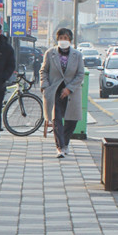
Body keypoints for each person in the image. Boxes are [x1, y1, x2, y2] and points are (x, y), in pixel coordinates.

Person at [40, 28, 84, 158]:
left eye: (66, 38)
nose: (63, 41)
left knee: (72, 120)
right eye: (61, 38)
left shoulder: (77, 55)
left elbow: (80, 74)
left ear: (70, 40)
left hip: (71, 92)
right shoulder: (50, 53)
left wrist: (69, 88)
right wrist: (45, 86)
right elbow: (44, 71)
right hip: (55, 91)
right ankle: (60, 147)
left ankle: (65, 143)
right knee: (56, 120)